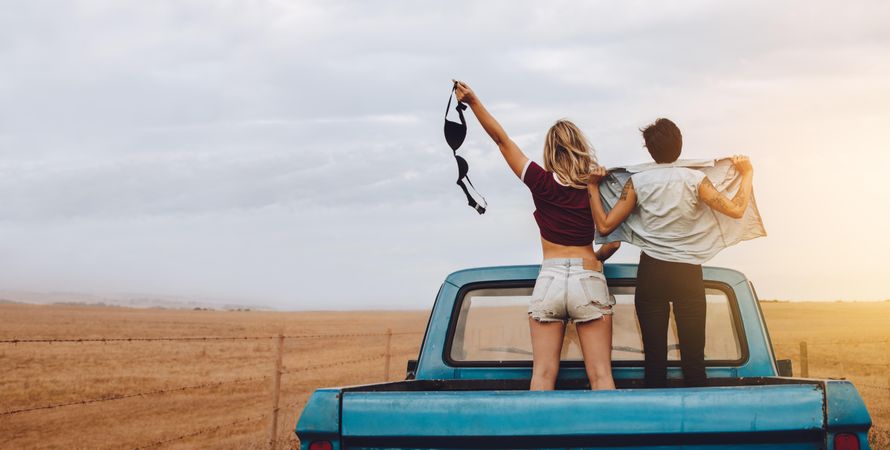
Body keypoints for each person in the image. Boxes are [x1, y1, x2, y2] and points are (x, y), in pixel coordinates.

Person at [454, 80, 620, 391]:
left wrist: (474, 101)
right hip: (589, 278)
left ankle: (538, 440)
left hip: (550, 280)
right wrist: (592, 259)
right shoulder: (596, 187)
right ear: (582, 148)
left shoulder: (539, 181)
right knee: (601, 376)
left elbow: (501, 140)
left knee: (542, 375)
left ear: (549, 151)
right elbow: (614, 240)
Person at [586, 118, 754, 388]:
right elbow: (736, 210)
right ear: (680, 144)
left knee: (654, 363)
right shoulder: (696, 179)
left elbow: (605, 225)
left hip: (652, 272)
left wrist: (593, 186)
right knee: (694, 363)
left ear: (650, 150)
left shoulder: (637, 182)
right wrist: (747, 174)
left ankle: (657, 427)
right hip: (688, 274)